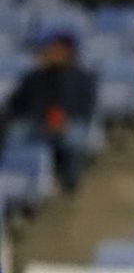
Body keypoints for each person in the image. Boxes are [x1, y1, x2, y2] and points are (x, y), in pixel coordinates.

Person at [2, 31, 95, 193]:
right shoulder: (33, 76)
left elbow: (85, 108)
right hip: (37, 122)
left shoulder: (82, 78)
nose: (53, 53)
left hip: (70, 123)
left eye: (57, 50)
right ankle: (17, 178)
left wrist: (63, 122)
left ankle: (69, 179)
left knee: (72, 138)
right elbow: (17, 104)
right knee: (17, 134)